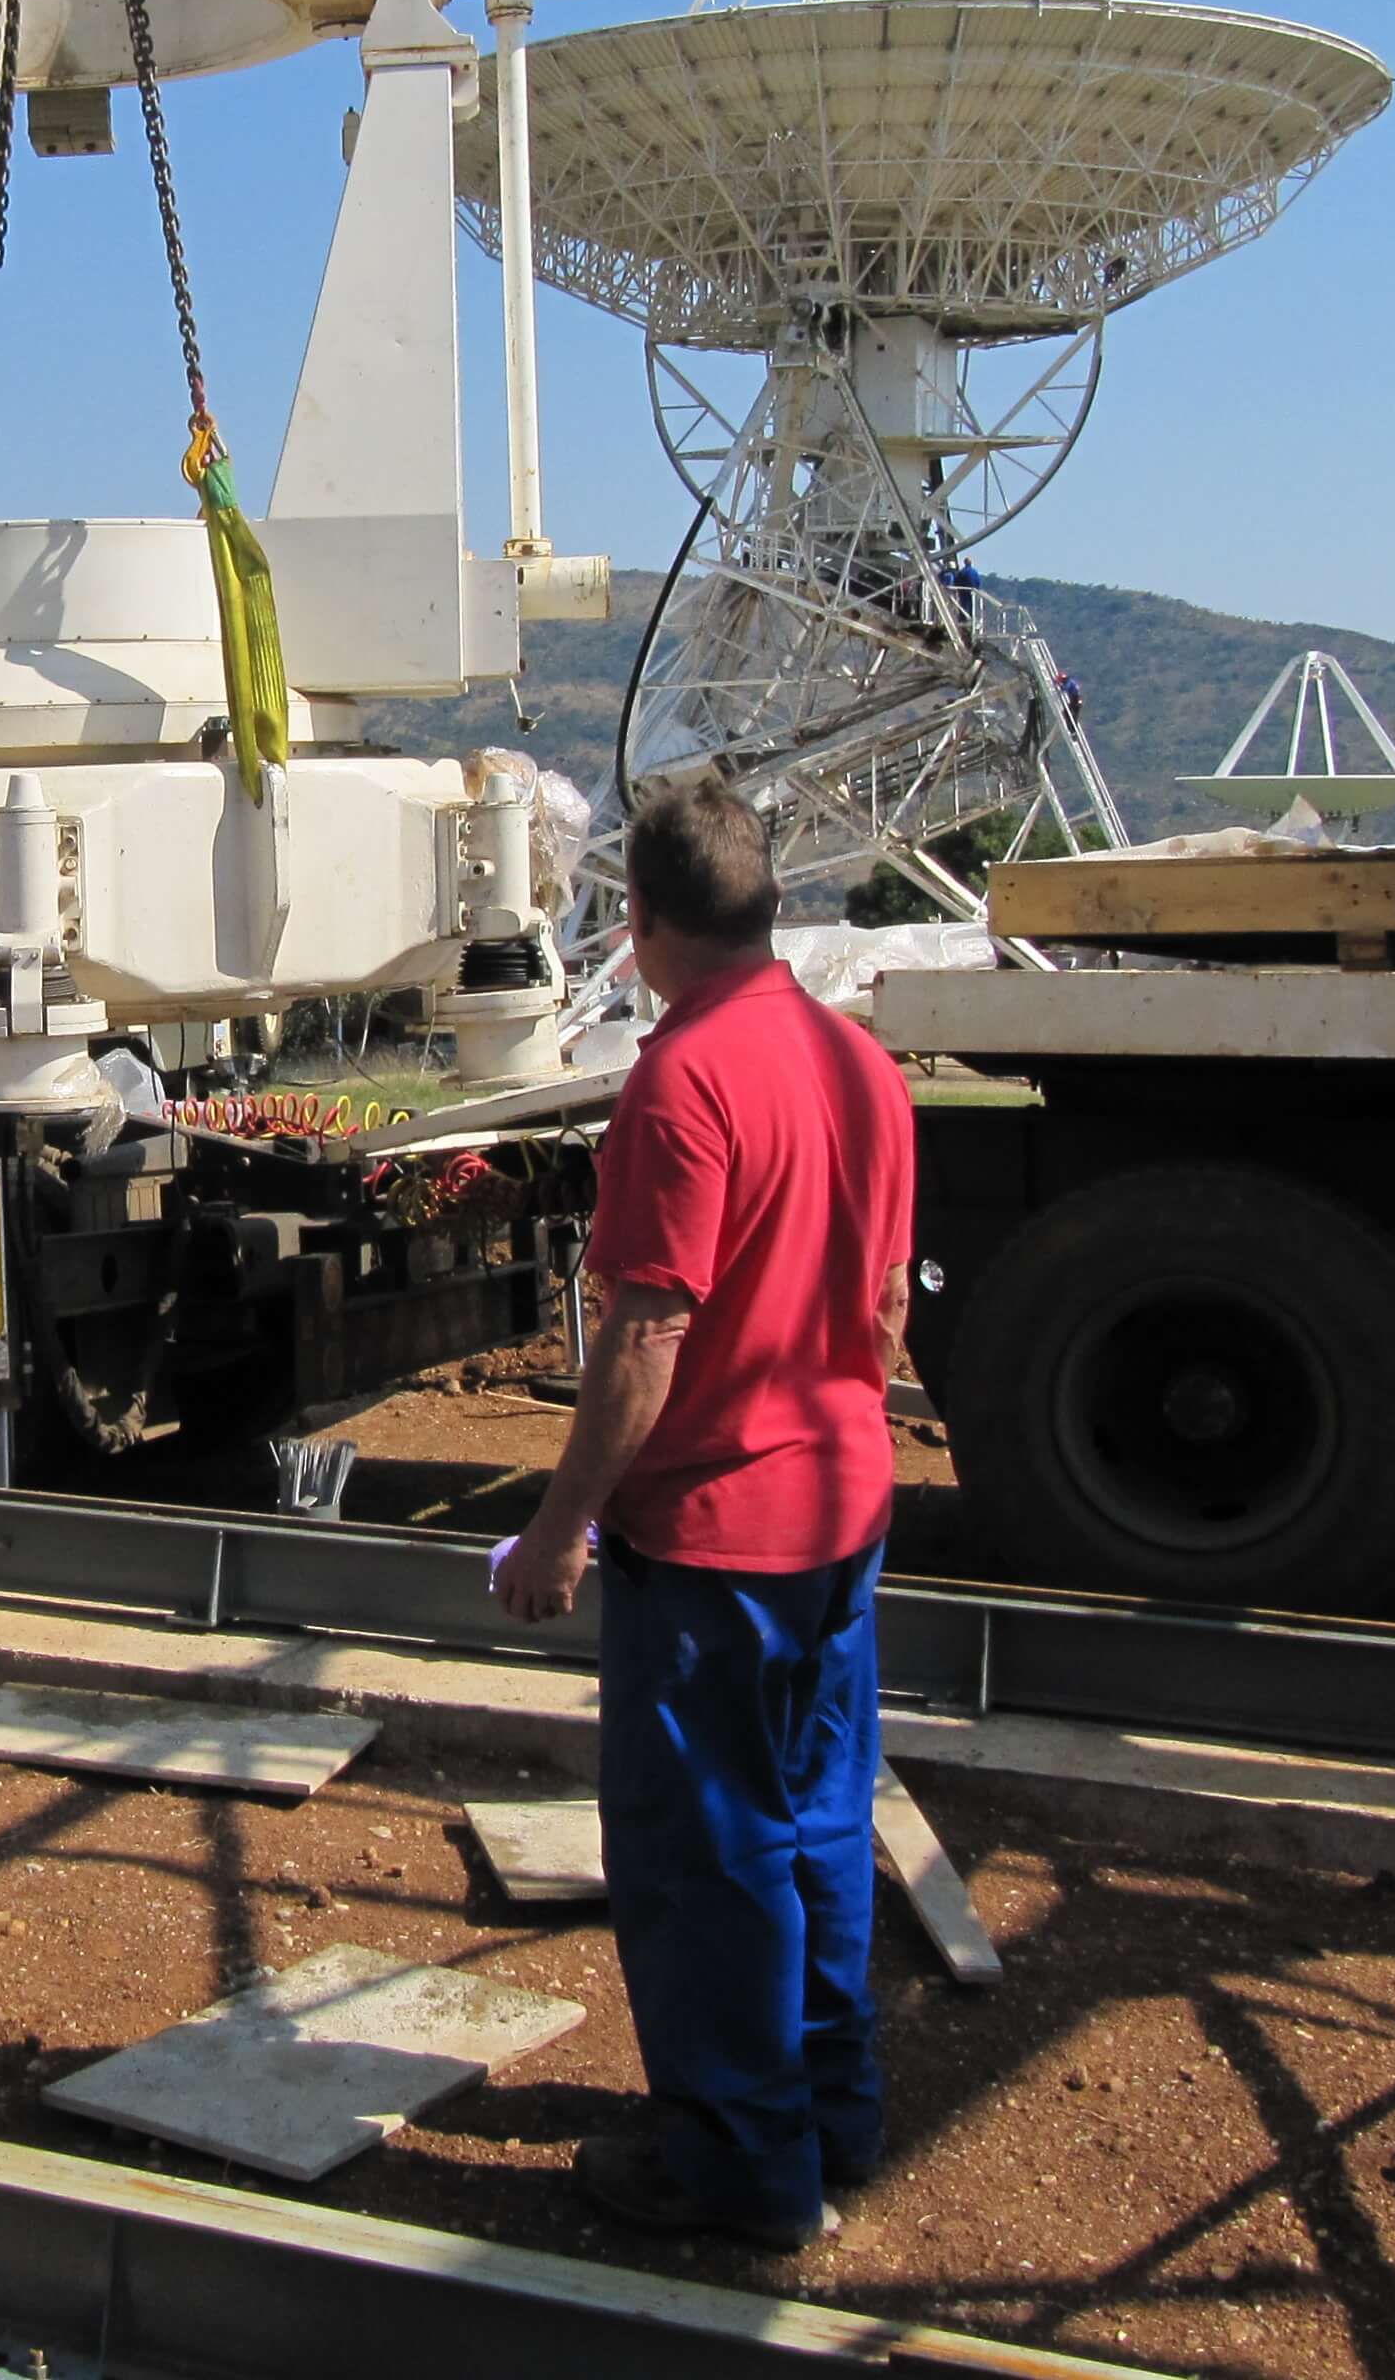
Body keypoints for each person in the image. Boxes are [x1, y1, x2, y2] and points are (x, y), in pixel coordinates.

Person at [491, 777, 917, 2250]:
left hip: (720, 1543)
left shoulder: (682, 1084)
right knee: (816, 1822)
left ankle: (740, 2173)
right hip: (844, 1511)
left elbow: (646, 1338)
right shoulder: (862, 1066)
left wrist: (559, 1528)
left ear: (644, 922)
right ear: (770, 902)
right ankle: (831, 2119)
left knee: (708, 1856)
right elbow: (876, 1307)